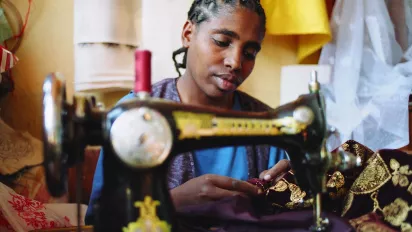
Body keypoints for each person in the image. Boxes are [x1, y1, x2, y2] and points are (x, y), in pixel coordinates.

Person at [85, 0, 290, 224]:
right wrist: (171, 203)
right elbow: (99, 221)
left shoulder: (266, 123)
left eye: (250, 53)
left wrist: (290, 189)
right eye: (222, 42)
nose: (235, 62)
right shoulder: (134, 117)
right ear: (188, 34)